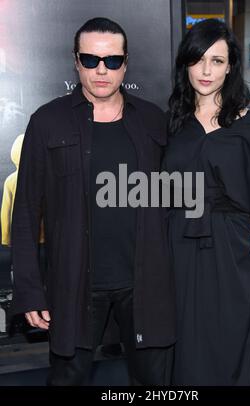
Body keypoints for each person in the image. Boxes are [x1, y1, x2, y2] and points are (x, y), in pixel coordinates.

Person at [11, 17, 175, 386]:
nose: (102, 70)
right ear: (76, 62)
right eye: (91, 60)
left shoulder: (152, 120)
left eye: (113, 61)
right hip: (74, 284)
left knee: (155, 387)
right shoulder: (48, 121)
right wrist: (30, 290)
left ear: (126, 63)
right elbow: (24, 214)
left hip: (146, 285)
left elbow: (180, 192)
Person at [163, 19, 250, 385]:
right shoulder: (173, 124)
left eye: (216, 60)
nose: (206, 70)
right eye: (198, 60)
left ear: (230, 66)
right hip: (179, 243)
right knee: (187, 341)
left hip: (232, 247)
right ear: (186, 64)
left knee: (231, 338)